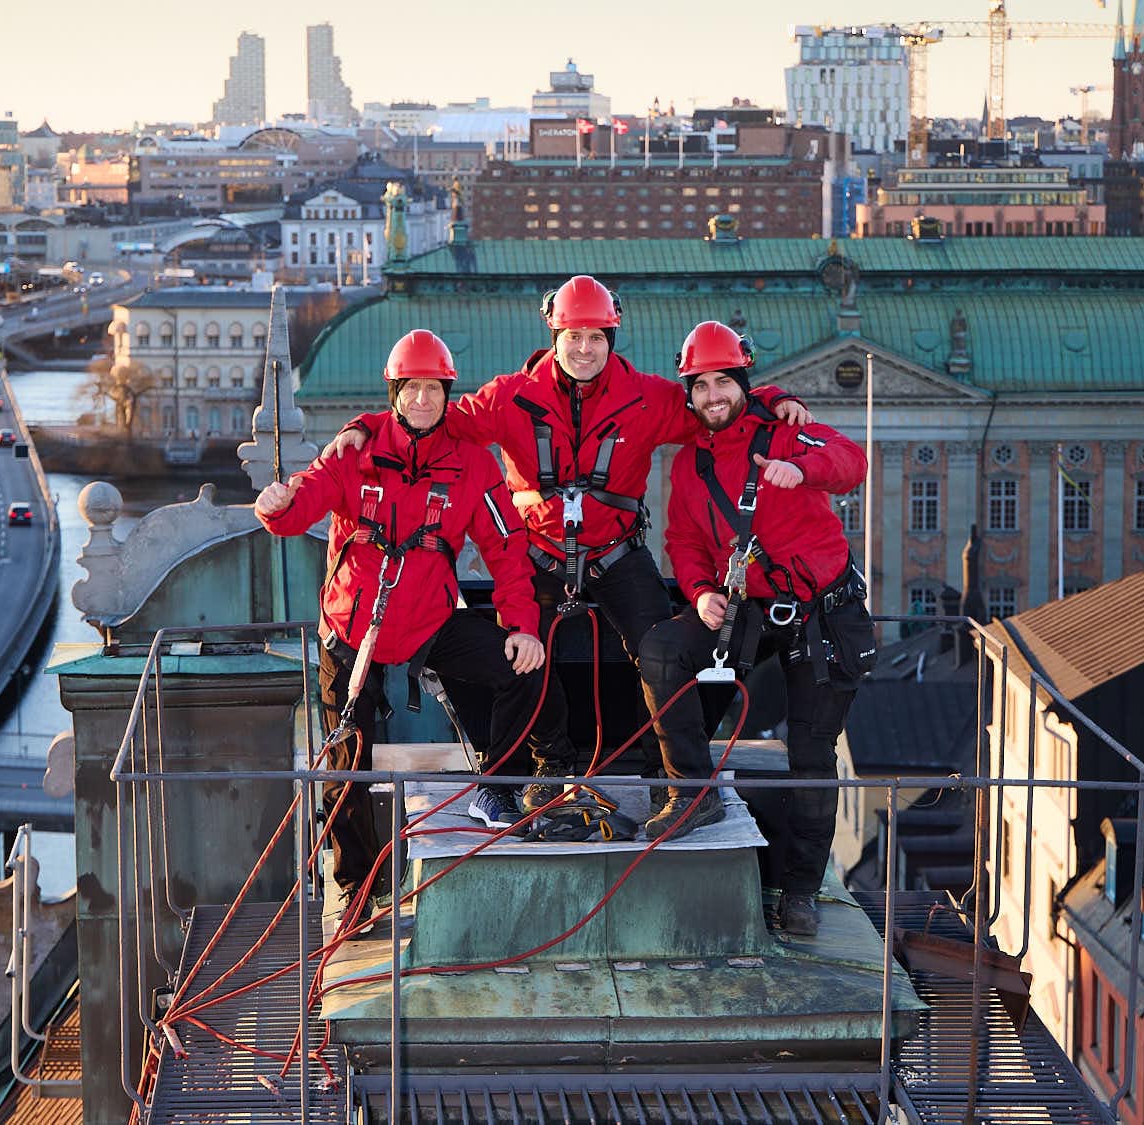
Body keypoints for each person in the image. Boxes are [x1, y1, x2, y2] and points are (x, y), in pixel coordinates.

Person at [326, 277, 810, 812]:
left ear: (611, 339)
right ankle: (547, 766)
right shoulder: (512, 397)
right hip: (539, 551)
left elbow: (716, 402)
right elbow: (431, 417)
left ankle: (674, 780)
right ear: (554, 334)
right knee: (526, 657)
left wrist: (773, 398)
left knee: (661, 650)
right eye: (574, 336)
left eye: (596, 338)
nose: (585, 349)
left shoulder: (646, 398)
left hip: (618, 552)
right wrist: (367, 425)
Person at [255, 329, 567, 910]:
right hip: (354, 629)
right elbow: (306, 500)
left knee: (521, 668)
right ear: (395, 391)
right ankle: (356, 886)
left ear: (447, 392)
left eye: (433, 388)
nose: (423, 399)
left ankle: (501, 787)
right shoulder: (353, 453)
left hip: (427, 619)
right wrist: (278, 507)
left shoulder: (472, 465)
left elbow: (506, 550)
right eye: (412, 388)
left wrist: (522, 625)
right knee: (349, 754)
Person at [638, 321, 873, 937]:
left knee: (813, 756)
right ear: (688, 392)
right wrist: (701, 593)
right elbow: (682, 540)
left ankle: (799, 892)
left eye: (724, 382)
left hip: (821, 610)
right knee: (665, 651)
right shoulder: (688, 465)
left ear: (744, 383)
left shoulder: (788, 430)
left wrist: (806, 470)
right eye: (701, 385)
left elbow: (852, 462)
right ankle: (692, 793)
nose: (713, 395)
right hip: (747, 606)